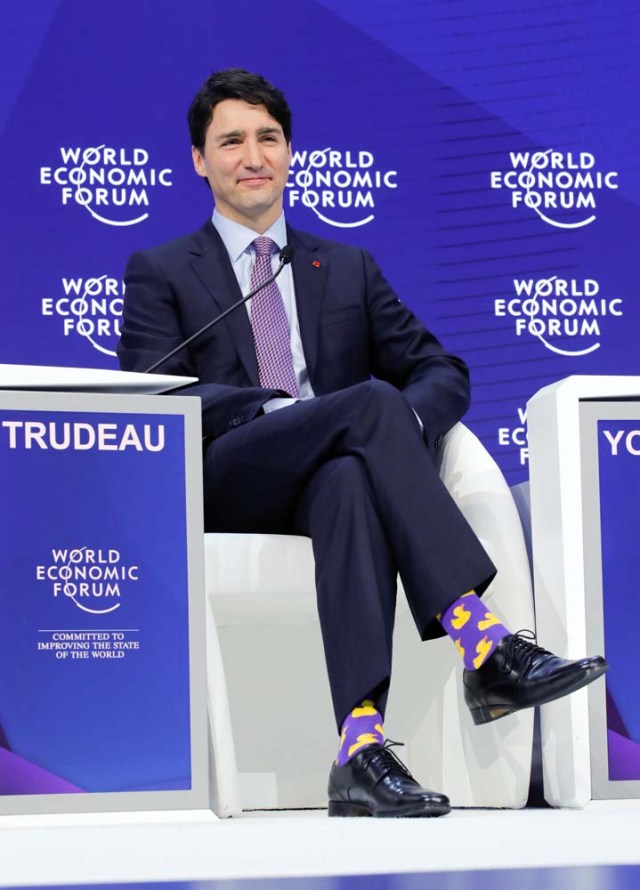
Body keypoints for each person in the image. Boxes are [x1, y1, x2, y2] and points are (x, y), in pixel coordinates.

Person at [117, 68, 607, 818]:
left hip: (331, 479)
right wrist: (283, 408)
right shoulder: (160, 271)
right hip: (228, 475)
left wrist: (398, 433)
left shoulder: (343, 266)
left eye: (269, 139)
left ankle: (360, 747)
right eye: (232, 141)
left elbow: (440, 370)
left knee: (351, 471)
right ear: (199, 160)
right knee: (368, 408)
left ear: (290, 153)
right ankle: (480, 639)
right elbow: (159, 393)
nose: (253, 156)